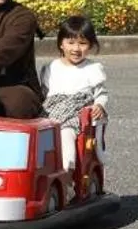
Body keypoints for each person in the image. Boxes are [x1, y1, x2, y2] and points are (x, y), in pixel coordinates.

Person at [40, 15, 110, 170]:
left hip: (76, 116)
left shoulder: (92, 69)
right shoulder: (51, 68)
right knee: (38, 135)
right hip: (50, 113)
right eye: (70, 43)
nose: (76, 49)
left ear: (90, 45)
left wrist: (100, 105)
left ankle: (67, 168)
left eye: (82, 43)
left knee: (66, 133)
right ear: (61, 44)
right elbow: (44, 94)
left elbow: (101, 93)